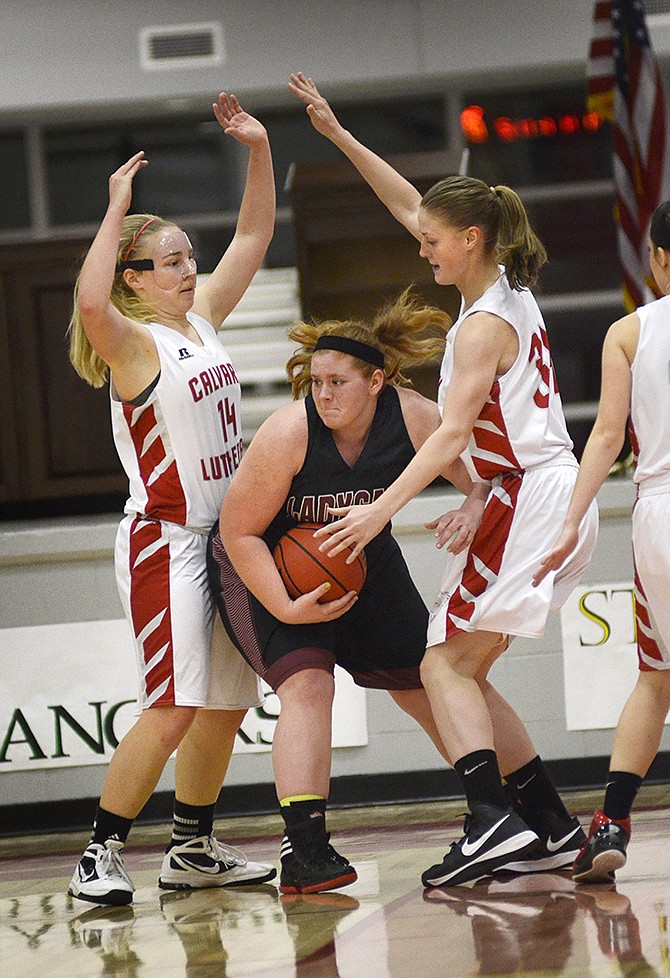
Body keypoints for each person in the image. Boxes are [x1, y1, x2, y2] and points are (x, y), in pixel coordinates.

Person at [288, 72, 599, 887]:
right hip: (522, 490)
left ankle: (492, 823)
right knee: (461, 665)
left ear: (471, 238)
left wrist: (376, 515)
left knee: (443, 667)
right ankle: (553, 828)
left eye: (433, 239)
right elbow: (408, 205)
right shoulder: (500, 287)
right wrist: (338, 134)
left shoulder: (481, 327)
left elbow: (454, 433)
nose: (419, 246)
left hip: (529, 491)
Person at [208, 288, 493, 894]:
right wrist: (284, 606)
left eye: (338, 382)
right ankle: (305, 850)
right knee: (309, 687)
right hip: (268, 565)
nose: (324, 395)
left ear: (377, 382)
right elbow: (238, 531)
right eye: (316, 383)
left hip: (363, 559)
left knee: (429, 678)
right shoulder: (289, 432)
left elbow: (480, 480)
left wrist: (472, 503)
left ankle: (492, 815)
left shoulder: (412, 414)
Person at [66, 92, 277, 906]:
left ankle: (192, 849)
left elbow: (255, 234)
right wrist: (116, 208)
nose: (192, 269)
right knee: (174, 706)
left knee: (225, 704)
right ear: (135, 279)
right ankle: (98, 851)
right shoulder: (131, 341)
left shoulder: (204, 321)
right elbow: (88, 302)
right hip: (166, 539)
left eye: (192, 257)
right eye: (174, 261)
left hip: (225, 537)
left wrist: (257, 150)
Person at [534, 200, 670, 884]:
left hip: (660, 513)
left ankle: (612, 822)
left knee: (656, 677)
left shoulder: (628, 332)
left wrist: (569, 521)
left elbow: (608, 437)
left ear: (659, 258)